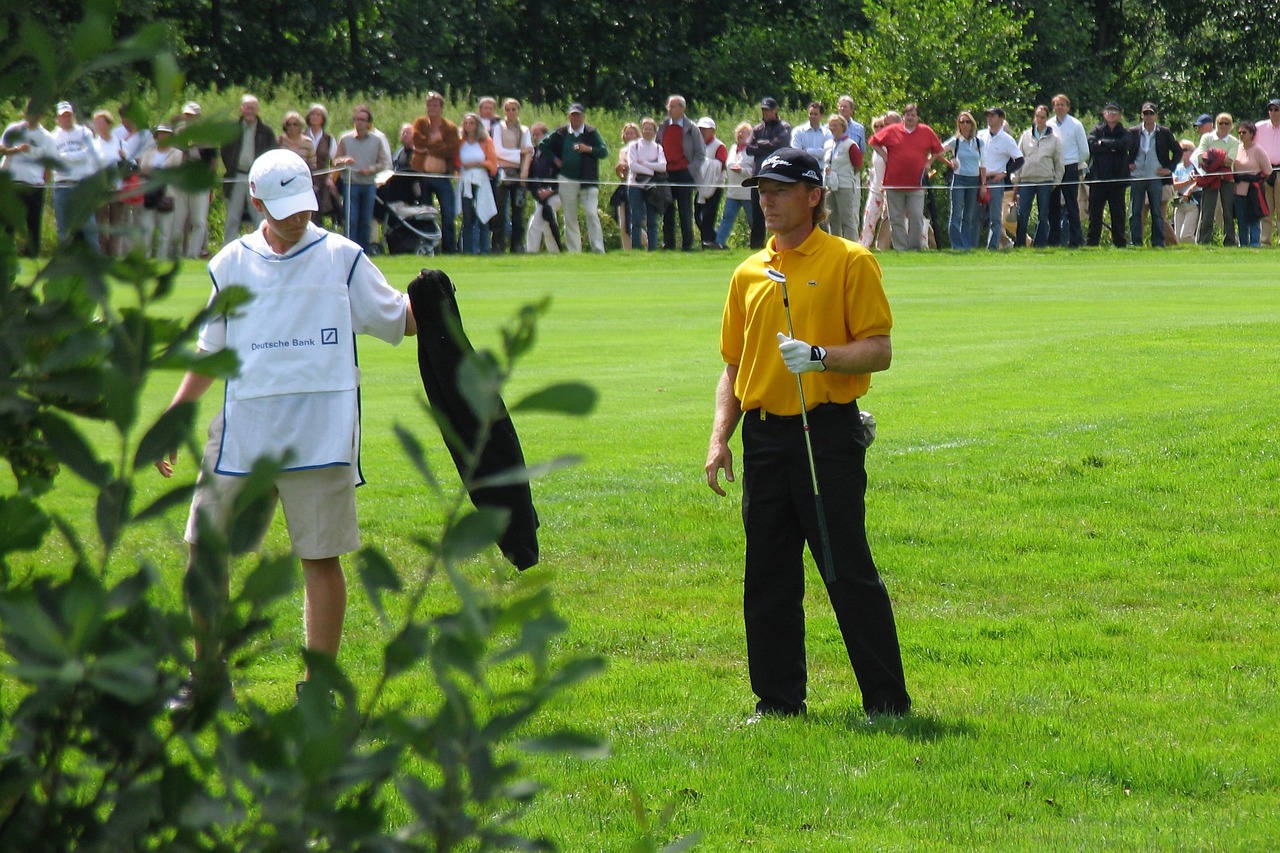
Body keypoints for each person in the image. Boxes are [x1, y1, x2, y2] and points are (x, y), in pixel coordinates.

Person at [155, 148, 417, 704]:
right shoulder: (230, 264)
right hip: (241, 433)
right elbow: (211, 351)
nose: (298, 216)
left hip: (319, 435)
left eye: (303, 204)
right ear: (256, 202)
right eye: (284, 207)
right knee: (205, 545)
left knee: (320, 558)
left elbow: (401, 318)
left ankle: (317, 689)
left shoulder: (342, 257)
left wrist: (436, 302)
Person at [704, 147, 910, 722]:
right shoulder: (749, 272)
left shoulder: (851, 260)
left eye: (780, 189)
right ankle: (777, 702)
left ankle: (887, 702)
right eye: (761, 189)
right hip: (765, 438)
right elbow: (732, 367)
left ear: (813, 196)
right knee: (767, 574)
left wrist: (820, 357)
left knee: (845, 567)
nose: (766, 199)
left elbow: (879, 350)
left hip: (826, 434)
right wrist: (720, 437)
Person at [868, 104, 946, 251]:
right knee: (896, 218)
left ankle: (914, 248)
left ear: (918, 117)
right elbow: (873, 141)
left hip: (916, 183)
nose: (910, 117)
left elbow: (937, 149)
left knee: (916, 217)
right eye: (908, 115)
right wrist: (885, 156)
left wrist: (929, 162)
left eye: (913, 115)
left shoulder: (926, 131)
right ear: (903, 117)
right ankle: (900, 248)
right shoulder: (891, 130)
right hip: (893, 182)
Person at [539, 103, 607, 253]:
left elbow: (603, 152)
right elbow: (543, 145)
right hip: (566, 179)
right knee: (569, 217)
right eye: (573, 115)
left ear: (583, 116)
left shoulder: (591, 132)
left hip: (587, 180)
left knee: (591, 213)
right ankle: (574, 251)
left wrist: (587, 149)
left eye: (578, 115)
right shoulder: (561, 133)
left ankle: (598, 249)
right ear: (569, 116)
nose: (575, 118)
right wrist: (555, 159)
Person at [1, 100, 56, 258]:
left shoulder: (47, 137)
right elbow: (1, 150)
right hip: (11, 184)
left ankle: (32, 258)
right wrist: (17, 149)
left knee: (33, 225)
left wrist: (44, 183)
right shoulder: (13, 129)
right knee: (7, 225)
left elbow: (48, 166)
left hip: (34, 186)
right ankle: (6, 256)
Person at [334, 104, 391, 253]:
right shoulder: (345, 139)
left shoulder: (376, 140)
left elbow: (383, 162)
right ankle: (348, 251)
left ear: (368, 123)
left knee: (365, 221)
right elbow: (335, 161)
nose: (359, 122)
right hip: (350, 184)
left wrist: (371, 169)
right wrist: (344, 160)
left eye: (363, 120)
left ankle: (363, 252)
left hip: (368, 185)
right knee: (351, 220)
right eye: (357, 119)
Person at [220, 94, 276, 246]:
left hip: (258, 179)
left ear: (257, 110)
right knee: (232, 217)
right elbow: (224, 152)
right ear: (241, 109)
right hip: (236, 176)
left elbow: (272, 152)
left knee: (259, 216)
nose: (249, 111)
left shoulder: (266, 132)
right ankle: (228, 248)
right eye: (247, 107)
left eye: (252, 108)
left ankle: (262, 247)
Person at [411, 92, 460, 253]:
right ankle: (429, 249)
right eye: (429, 105)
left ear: (441, 107)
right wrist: (438, 144)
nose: (432, 108)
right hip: (423, 177)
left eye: (435, 105)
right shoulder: (420, 123)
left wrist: (428, 147)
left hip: (442, 177)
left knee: (447, 214)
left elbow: (451, 149)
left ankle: (449, 249)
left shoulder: (450, 128)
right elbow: (417, 141)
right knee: (425, 216)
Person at [1125, 102, 1179, 248]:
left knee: (1157, 212)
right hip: (1137, 176)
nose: (1148, 116)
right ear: (1141, 115)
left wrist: (1169, 168)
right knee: (1135, 211)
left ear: (1156, 115)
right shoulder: (1132, 132)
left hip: (1156, 177)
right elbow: (1122, 150)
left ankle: (1158, 243)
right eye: (1145, 113)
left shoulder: (1164, 132)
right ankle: (1135, 242)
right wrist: (1127, 164)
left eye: (1151, 113)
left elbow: (1178, 151)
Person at [50, 101, 101, 248]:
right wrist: (73, 156)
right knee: (64, 228)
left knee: (89, 226)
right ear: (58, 118)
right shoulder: (53, 137)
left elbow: (88, 153)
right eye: (63, 116)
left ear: (73, 116)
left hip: (81, 184)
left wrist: (64, 156)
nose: (66, 119)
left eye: (69, 115)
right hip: (62, 185)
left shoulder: (84, 133)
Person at [658, 95, 705, 251]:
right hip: (666, 174)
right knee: (667, 211)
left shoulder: (692, 128)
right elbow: (657, 148)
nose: (669, 110)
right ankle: (668, 245)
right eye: (668, 106)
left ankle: (687, 246)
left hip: (684, 173)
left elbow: (700, 153)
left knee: (685, 211)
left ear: (682, 108)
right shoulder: (663, 126)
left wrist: (690, 171)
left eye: (673, 106)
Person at [1014, 106, 1063, 248]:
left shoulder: (1054, 139)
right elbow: (1018, 159)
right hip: (1026, 181)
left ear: (1047, 119)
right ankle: (1020, 243)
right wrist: (1016, 180)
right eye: (1037, 116)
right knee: (1022, 214)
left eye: (1042, 117)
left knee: (1043, 215)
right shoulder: (1025, 135)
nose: (1039, 119)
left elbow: (1060, 163)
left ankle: (1040, 243)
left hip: (1045, 181)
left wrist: (1056, 182)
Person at [746, 97, 792, 248]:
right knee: (757, 213)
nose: (765, 113)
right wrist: (767, 144)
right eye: (763, 110)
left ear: (775, 110)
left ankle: (779, 244)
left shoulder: (784, 127)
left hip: (777, 176)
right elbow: (748, 148)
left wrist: (761, 144)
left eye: (767, 110)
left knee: (778, 211)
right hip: (758, 176)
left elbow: (779, 146)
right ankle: (756, 246)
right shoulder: (758, 128)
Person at [1046, 94, 1090, 248]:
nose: (1059, 107)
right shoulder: (1048, 124)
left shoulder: (1076, 124)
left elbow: (1084, 150)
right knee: (1053, 206)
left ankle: (1076, 240)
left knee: (1072, 205)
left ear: (1068, 107)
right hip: (1052, 168)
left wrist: (1074, 163)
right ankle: (1054, 240)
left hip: (1070, 167)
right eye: (1057, 104)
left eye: (1062, 104)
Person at [975, 107, 1022, 250]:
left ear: (1001, 119)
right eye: (988, 116)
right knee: (975, 216)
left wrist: (1005, 173)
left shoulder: (1007, 140)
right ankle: (972, 247)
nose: (989, 118)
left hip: (995, 180)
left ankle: (993, 247)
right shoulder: (981, 135)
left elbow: (1019, 159)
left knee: (995, 218)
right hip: (978, 179)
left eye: (993, 116)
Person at [1086, 103, 1132, 248]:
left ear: (1120, 115)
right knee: (1095, 214)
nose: (1112, 114)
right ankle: (1092, 243)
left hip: (1117, 180)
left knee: (1118, 214)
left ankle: (1120, 243)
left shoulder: (1125, 131)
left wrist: (1103, 144)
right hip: (1098, 178)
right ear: (1104, 114)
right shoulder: (1096, 129)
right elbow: (1092, 145)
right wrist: (1113, 147)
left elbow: (1125, 145)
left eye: (1115, 111)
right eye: (1109, 111)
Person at [176, 101, 218, 259]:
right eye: (186, 115)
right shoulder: (179, 133)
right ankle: (181, 252)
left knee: (199, 221)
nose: (188, 118)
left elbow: (213, 162)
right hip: (182, 182)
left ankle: (193, 253)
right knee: (180, 220)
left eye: (191, 116)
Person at [1193, 112, 1240, 246]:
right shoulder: (1207, 138)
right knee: (1207, 211)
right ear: (1216, 124)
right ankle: (1204, 241)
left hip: (1226, 179)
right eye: (1221, 123)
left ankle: (1230, 241)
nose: (1223, 126)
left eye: (1227, 123)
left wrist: (1213, 156)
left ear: (1231, 126)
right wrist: (1220, 158)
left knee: (1228, 211)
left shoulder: (1233, 141)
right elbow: (1201, 157)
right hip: (1210, 179)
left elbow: (1229, 161)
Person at [491, 98, 532, 253]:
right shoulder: (498, 128)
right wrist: (519, 153)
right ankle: (498, 245)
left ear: (518, 111)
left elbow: (529, 152)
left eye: (514, 109)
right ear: (504, 111)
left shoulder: (525, 130)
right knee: (500, 212)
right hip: (502, 174)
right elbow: (497, 151)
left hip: (518, 174)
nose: (511, 112)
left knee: (518, 213)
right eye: (508, 109)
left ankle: (517, 245)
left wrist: (524, 172)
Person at [456, 112, 499, 255]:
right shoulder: (460, 143)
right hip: (466, 182)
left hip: (481, 181)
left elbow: (493, 165)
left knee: (483, 216)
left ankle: (485, 250)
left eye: (471, 123)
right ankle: (467, 251)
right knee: (468, 218)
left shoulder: (486, 141)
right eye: (466, 123)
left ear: (477, 125)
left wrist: (477, 163)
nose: (469, 125)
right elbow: (457, 163)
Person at [138, 123, 184, 258]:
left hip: (167, 194)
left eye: (166, 134)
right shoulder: (148, 153)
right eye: (161, 133)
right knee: (147, 229)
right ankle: (145, 258)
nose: (163, 136)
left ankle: (161, 258)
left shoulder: (177, 153)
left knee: (165, 230)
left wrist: (154, 172)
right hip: (150, 194)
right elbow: (143, 169)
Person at [941, 111, 984, 250]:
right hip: (959, 179)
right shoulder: (955, 141)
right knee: (956, 214)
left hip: (974, 180)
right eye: (962, 122)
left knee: (969, 215)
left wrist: (983, 184)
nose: (964, 125)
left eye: (967, 122)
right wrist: (950, 162)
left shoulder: (979, 142)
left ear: (972, 124)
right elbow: (936, 151)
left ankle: (966, 245)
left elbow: (983, 164)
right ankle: (957, 245)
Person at [625, 117, 667, 252]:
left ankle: (653, 249)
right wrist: (652, 170)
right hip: (635, 186)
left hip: (652, 188)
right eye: (645, 129)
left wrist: (645, 165)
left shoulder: (658, 148)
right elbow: (632, 165)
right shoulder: (634, 146)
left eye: (650, 129)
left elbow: (663, 166)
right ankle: (636, 248)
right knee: (636, 219)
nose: (647, 131)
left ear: (654, 131)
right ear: (642, 130)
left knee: (652, 221)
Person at [714, 122, 755, 249]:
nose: (740, 135)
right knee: (727, 218)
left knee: (753, 221)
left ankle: (757, 244)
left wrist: (741, 170)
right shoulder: (732, 148)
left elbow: (754, 172)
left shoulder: (753, 151)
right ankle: (719, 243)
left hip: (747, 193)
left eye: (744, 132)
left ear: (750, 136)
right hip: (733, 192)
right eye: (739, 132)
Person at [90, 109, 125, 255]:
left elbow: (130, 164)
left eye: (101, 122)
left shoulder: (120, 142)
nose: (98, 125)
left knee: (116, 223)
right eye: (96, 123)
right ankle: (102, 252)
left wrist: (123, 157)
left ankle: (114, 252)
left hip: (117, 188)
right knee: (101, 223)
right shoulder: (93, 144)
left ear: (108, 124)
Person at [1232, 120, 1272, 248]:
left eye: (1244, 132)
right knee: (1241, 219)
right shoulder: (1236, 149)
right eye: (1239, 132)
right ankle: (1243, 244)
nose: (1241, 135)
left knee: (1254, 218)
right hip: (1238, 190)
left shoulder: (1258, 150)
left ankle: (1255, 244)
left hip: (1253, 190)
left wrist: (1254, 179)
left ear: (1251, 134)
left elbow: (1268, 171)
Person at [823, 114, 862, 241]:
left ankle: (852, 246)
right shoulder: (828, 144)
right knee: (832, 218)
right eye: (830, 125)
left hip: (844, 185)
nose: (832, 128)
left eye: (835, 125)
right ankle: (836, 247)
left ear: (842, 127)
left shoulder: (851, 145)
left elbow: (857, 165)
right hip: (830, 186)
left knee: (847, 219)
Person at [525, 122, 562, 254]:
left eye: (538, 134)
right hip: (540, 198)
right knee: (547, 225)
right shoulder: (534, 154)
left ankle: (531, 252)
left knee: (535, 224)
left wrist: (551, 190)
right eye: (533, 134)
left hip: (556, 195)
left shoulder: (554, 153)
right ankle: (556, 253)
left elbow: (561, 174)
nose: (535, 137)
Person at [304, 103, 342, 228]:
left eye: (318, 114)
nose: (315, 117)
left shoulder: (329, 139)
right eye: (312, 114)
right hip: (304, 178)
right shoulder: (301, 136)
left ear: (323, 118)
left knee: (324, 206)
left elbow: (335, 161)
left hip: (323, 180)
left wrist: (331, 177)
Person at [696, 116, 727, 248]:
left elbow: (721, 164)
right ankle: (713, 240)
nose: (702, 132)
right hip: (701, 186)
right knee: (698, 215)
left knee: (709, 215)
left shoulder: (719, 146)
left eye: (706, 130)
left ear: (712, 131)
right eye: (701, 129)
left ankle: (708, 242)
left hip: (715, 186)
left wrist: (707, 165)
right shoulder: (698, 145)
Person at [1254, 99, 1280, 244]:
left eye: (1276, 109)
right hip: (1265, 172)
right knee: (1266, 209)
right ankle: (1265, 241)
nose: (1273, 113)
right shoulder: (1260, 127)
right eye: (1271, 110)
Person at [613, 122, 640, 251]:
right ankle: (627, 251)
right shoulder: (622, 151)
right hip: (624, 186)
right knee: (622, 223)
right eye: (627, 133)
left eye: (631, 133)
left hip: (638, 186)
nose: (629, 135)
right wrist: (619, 170)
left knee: (633, 222)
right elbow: (621, 173)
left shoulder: (641, 149)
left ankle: (644, 242)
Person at [1170, 140, 1201, 243]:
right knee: (1177, 237)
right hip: (1180, 204)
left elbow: (1199, 182)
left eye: (1185, 150)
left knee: (1186, 235)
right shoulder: (1177, 167)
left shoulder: (1197, 167)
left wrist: (1188, 188)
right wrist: (1188, 181)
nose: (1182, 152)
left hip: (1193, 203)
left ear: (1192, 152)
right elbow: (1174, 186)